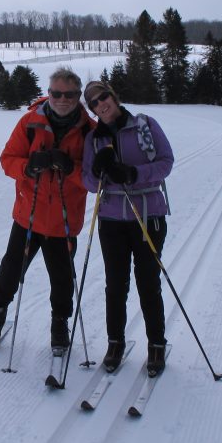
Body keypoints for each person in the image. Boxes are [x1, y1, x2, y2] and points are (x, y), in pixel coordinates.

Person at [0, 68, 96, 351]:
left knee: (61, 279)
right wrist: (28, 167)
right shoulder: (30, 123)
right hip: (27, 218)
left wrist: (69, 168)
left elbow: (94, 180)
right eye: (56, 93)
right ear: (49, 93)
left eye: (69, 94)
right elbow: (7, 159)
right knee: (10, 271)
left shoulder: (89, 130)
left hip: (63, 222)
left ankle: (60, 324)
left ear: (78, 96)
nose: (62, 99)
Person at [80, 80, 174, 376]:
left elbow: (166, 162)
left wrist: (133, 173)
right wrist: (98, 171)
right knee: (115, 284)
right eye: (93, 102)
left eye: (103, 96)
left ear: (113, 95)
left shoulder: (145, 125)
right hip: (111, 218)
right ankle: (115, 342)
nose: (101, 104)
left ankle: (156, 344)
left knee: (148, 282)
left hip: (148, 215)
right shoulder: (94, 139)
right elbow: (88, 182)